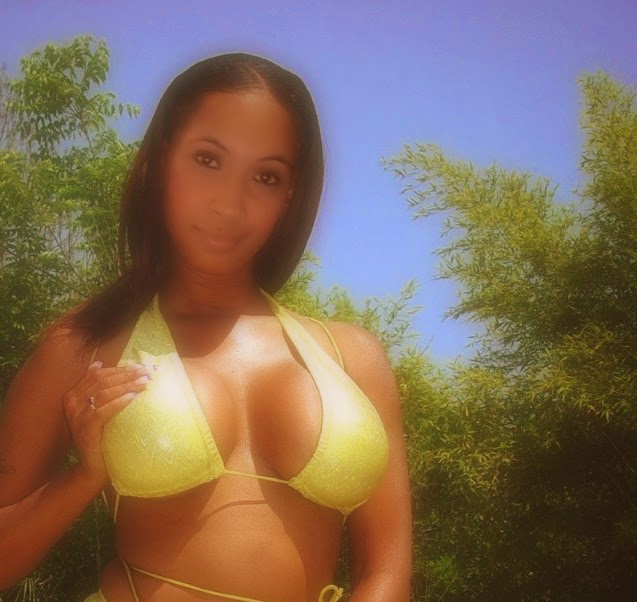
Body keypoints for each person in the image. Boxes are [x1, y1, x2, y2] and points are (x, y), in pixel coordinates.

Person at [0, 52, 412, 602]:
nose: (228, 205)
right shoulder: (85, 348)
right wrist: (84, 477)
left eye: (265, 176)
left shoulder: (352, 358)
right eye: (208, 160)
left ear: (289, 195)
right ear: (160, 161)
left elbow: (385, 570)